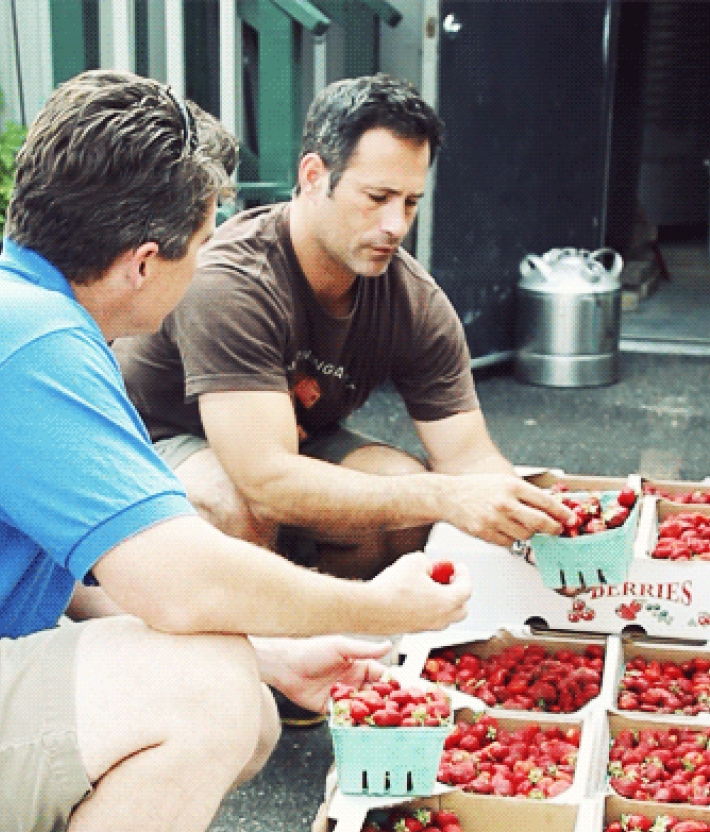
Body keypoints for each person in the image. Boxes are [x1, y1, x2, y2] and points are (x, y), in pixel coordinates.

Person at [0, 69, 470, 832]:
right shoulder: (37, 347)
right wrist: (377, 609)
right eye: (201, 239)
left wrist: (273, 651)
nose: (207, 260)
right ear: (143, 260)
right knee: (208, 693)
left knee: (226, 659)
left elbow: (73, 579)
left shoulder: (4, 308)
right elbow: (177, 576)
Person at [114, 73, 572, 588]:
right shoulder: (233, 282)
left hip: (284, 444)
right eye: (377, 197)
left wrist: (550, 523)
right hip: (154, 442)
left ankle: (337, 640)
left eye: (410, 202)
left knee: (405, 499)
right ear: (314, 176)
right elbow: (265, 481)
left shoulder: (414, 302)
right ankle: (255, 651)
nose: (396, 225)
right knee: (234, 506)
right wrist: (447, 496)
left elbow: (467, 458)